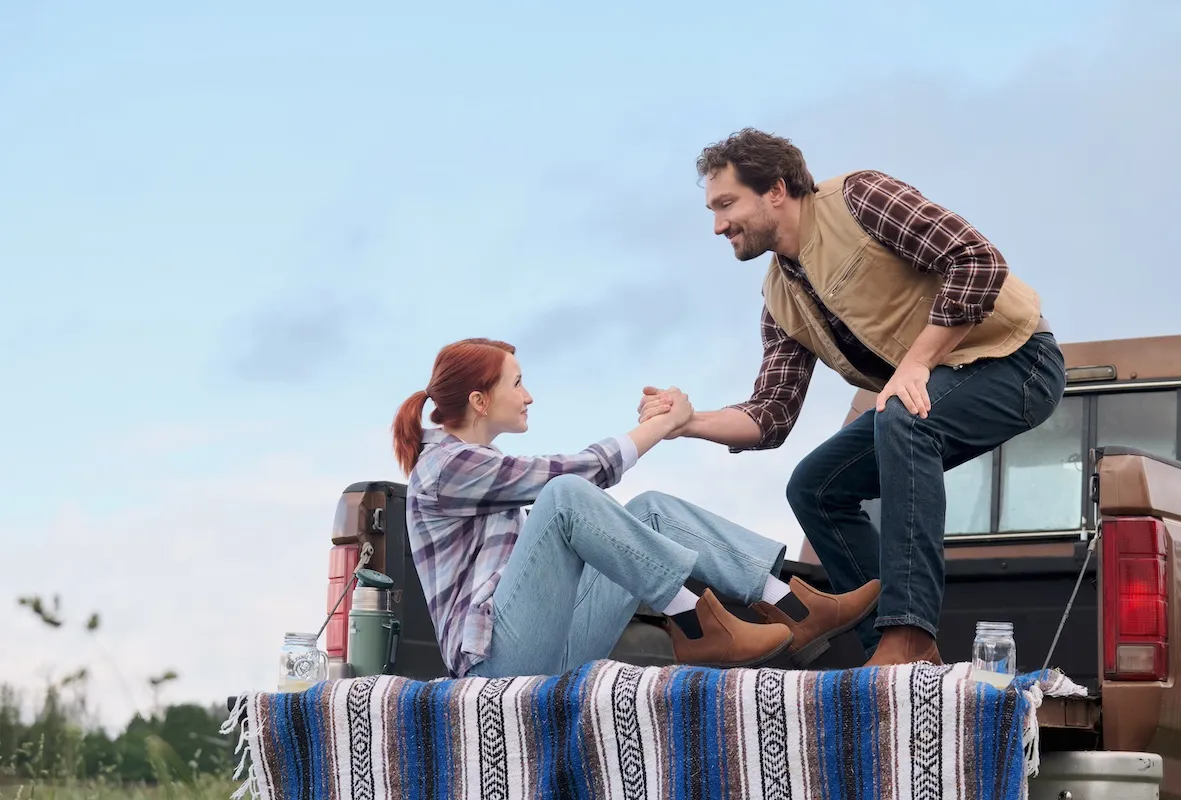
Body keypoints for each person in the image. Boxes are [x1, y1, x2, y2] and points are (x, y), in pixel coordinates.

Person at [639, 128, 1066, 667]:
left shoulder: (859, 198)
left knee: (902, 417)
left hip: (1019, 362)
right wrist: (689, 420)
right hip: (935, 388)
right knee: (816, 487)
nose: (719, 224)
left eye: (726, 204)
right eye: (712, 210)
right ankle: (892, 657)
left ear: (775, 190)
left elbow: (975, 262)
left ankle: (907, 637)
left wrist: (916, 363)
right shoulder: (779, 297)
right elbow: (771, 415)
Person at [393, 337, 880, 679]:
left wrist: (666, 424)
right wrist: (663, 425)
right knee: (565, 495)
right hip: (493, 669)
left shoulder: (477, 464)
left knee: (648, 509)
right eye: (516, 383)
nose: (528, 396)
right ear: (480, 400)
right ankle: (694, 623)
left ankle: (791, 604)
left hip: (545, 646)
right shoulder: (443, 467)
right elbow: (576, 476)